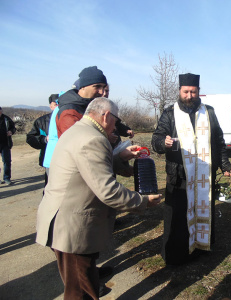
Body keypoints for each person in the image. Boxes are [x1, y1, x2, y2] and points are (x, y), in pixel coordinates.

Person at [36, 97, 162, 299]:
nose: (116, 126)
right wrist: (143, 201)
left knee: (84, 281)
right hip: (71, 228)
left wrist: (119, 158)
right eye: (116, 120)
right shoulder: (93, 139)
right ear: (106, 116)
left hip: (66, 222)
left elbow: (88, 166)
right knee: (81, 292)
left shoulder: (81, 131)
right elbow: (108, 191)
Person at [152, 73, 231, 266]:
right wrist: (162, 142)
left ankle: (201, 246)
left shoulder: (209, 112)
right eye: (186, 91)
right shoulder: (169, 113)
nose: (189, 95)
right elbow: (156, 139)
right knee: (178, 216)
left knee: (202, 210)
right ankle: (176, 253)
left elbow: (219, 142)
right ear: (180, 91)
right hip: (179, 175)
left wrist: (225, 164)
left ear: (198, 92)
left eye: (193, 91)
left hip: (204, 174)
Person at [56, 66, 108, 137]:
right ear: (83, 87)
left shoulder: (90, 106)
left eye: (103, 87)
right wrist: (106, 136)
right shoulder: (69, 112)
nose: (102, 92)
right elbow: (77, 141)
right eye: (97, 86)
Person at [26, 94, 59, 187]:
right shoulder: (41, 121)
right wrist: (44, 139)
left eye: (60, 104)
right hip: (49, 159)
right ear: (51, 106)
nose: (58, 107)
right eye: (55, 104)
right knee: (50, 187)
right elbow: (30, 138)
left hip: (68, 159)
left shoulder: (69, 117)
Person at [0, 107, 16, 185]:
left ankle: (7, 178)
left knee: (7, 161)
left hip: (5, 143)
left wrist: (11, 132)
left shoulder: (6, 119)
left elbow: (13, 128)